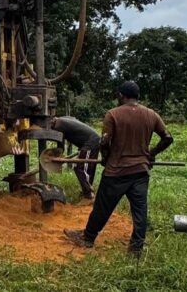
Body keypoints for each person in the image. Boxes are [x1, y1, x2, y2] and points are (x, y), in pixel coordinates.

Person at [64, 81, 174, 257]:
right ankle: (136, 248)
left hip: (116, 172)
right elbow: (167, 138)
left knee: (102, 207)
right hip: (140, 172)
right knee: (140, 211)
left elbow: (105, 142)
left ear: (121, 95)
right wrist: (150, 154)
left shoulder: (113, 114)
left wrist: (106, 159)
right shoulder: (151, 115)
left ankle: (88, 238)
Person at [52, 116, 101, 199]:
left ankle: (88, 195)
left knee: (80, 167)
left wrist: (58, 156)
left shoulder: (58, 125)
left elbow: (60, 144)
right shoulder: (63, 119)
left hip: (90, 142)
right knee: (87, 168)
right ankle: (87, 193)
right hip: (92, 140)